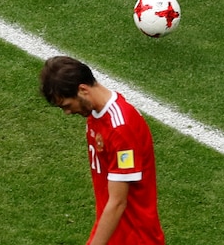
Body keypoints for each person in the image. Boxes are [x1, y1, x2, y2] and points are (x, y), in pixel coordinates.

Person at [40, 56, 165, 245]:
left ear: (82, 90)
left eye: (66, 105)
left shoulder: (120, 127)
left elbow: (117, 202)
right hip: (114, 233)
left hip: (135, 238)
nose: (67, 112)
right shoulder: (95, 115)